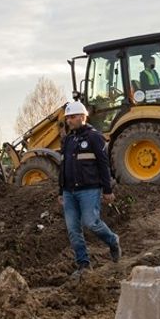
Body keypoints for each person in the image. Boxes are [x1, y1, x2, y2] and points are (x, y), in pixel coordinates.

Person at [58, 100, 121, 277]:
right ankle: (84, 265)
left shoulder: (94, 137)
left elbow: (103, 164)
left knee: (91, 222)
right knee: (73, 230)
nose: (69, 120)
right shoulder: (68, 140)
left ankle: (112, 240)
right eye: (68, 117)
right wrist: (61, 191)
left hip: (89, 189)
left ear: (83, 117)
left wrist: (107, 189)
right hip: (69, 192)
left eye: (73, 116)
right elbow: (63, 167)